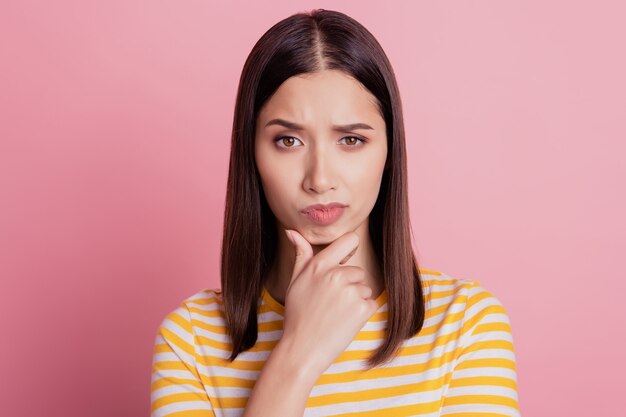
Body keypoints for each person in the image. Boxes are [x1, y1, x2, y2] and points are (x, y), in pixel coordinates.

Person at [150, 8, 520, 417]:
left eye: (351, 140)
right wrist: (297, 355)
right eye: (288, 140)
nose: (320, 179)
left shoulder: (465, 326)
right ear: (251, 153)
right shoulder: (191, 341)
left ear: (389, 152)